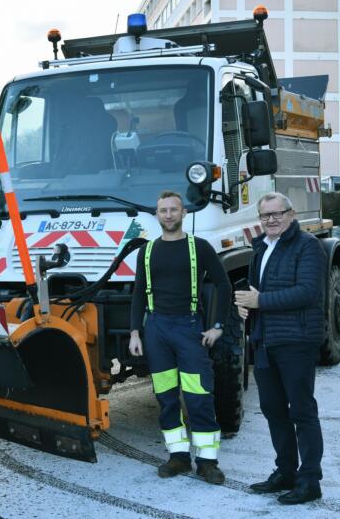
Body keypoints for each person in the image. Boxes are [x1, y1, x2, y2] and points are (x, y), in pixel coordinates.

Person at [129, 190, 231, 485]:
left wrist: (218, 326)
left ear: (183, 213)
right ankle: (178, 457)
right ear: (157, 215)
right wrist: (135, 332)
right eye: (164, 210)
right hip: (156, 330)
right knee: (166, 397)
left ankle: (208, 462)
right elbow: (137, 293)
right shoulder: (146, 251)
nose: (169, 215)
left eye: (174, 210)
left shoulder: (199, 247)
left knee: (199, 397)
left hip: (189, 328)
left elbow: (224, 287)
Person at [234, 192, 326, 505]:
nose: (271, 220)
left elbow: (307, 292)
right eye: (265, 215)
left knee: (302, 411)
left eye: (277, 213)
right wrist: (246, 307)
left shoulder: (307, 246)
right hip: (264, 340)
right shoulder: (261, 249)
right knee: (273, 410)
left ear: (291, 213)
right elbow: (255, 291)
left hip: (297, 341)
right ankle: (286, 472)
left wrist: (260, 301)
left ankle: (310, 480)